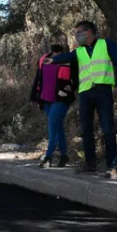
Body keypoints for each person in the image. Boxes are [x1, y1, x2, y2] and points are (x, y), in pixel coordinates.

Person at [45, 21, 117, 179]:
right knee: (86, 130)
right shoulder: (79, 51)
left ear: (88, 32)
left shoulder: (106, 44)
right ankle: (90, 164)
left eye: (78, 33)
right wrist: (53, 60)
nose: (76, 36)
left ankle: (112, 166)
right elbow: (67, 57)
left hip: (103, 91)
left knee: (108, 129)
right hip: (85, 92)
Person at [30, 37, 79, 168]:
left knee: (52, 124)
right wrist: (33, 97)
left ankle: (48, 157)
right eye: (53, 41)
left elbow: (77, 77)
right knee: (57, 126)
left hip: (62, 98)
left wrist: (72, 87)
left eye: (57, 41)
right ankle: (64, 155)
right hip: (46, 98)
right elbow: (38, 78)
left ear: (64, 44)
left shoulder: (69, 58)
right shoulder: (44, 58)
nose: (54, 44)